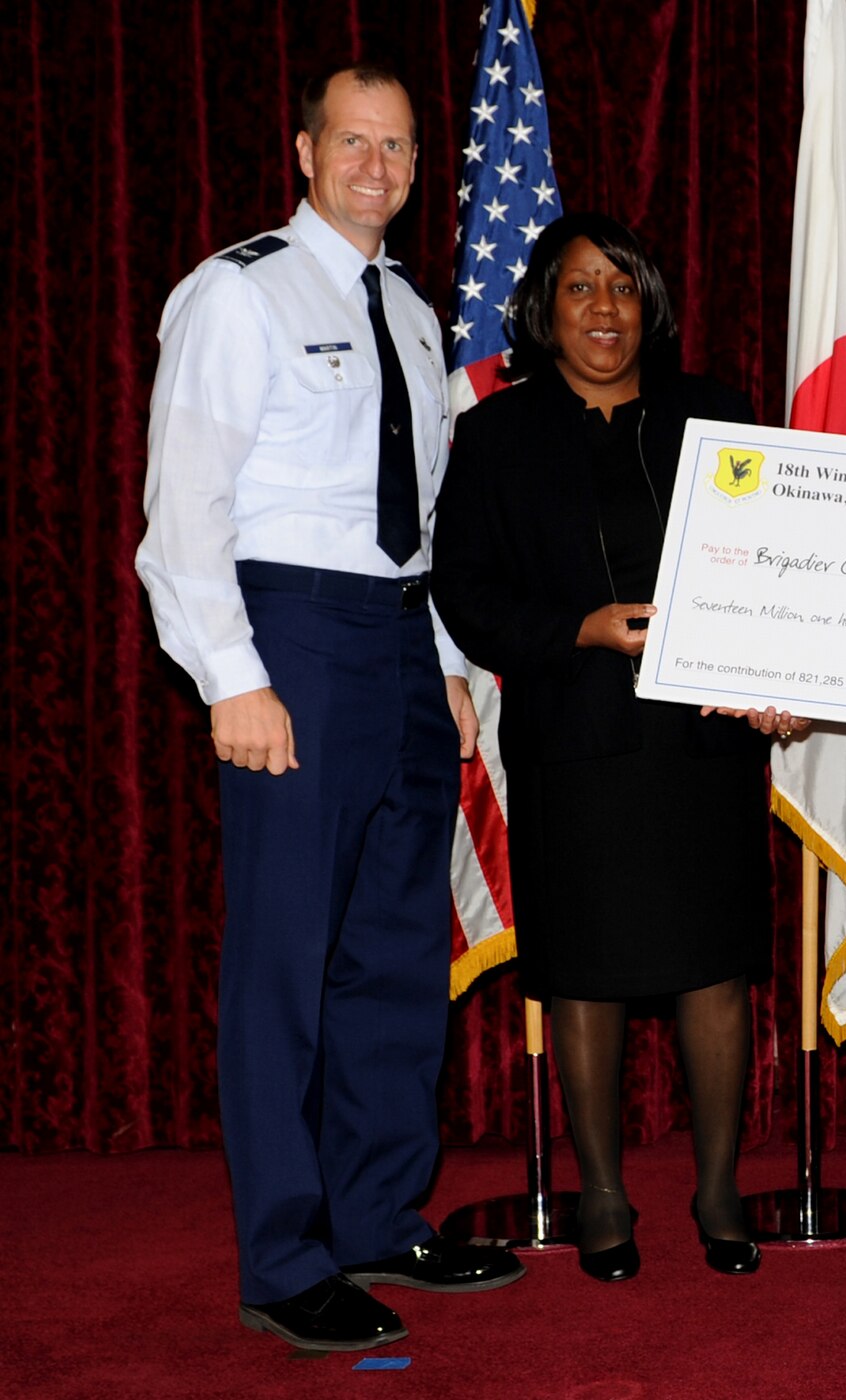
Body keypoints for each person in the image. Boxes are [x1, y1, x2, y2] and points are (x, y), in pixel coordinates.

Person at [134, 64, 522, 1353]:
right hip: (289, 633)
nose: (376, 165)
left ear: (418, 164)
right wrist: (231, 674)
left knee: (398, 958)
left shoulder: (412, 312)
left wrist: (454, 665)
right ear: (304, 151)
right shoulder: (236, 291)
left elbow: (423, 518)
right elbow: (184, 503)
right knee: (287, 961)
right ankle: (285, 1253)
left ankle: (373, 1215)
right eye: (351, 142)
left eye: (397, 146)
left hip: (404, 642)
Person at [432, 212, 791, 1283]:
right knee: (582, 972)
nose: (603, 308)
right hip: (572, 741)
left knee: (710, 968)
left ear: (651, 305)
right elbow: (468, 591)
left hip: (701, 746)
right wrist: (576, 630)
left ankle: (719, 1187)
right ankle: (600, 1193)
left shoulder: (717, 418)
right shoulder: (496, 434)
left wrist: (776, 670)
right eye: (581, 287)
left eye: (623, 286)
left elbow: (779, 565)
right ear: (543, 309)